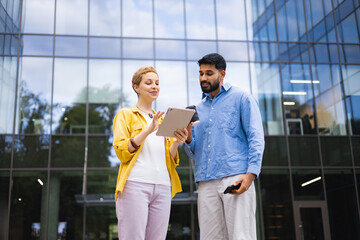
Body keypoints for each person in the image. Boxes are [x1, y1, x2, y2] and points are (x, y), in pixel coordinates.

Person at [184, 53, 265, 240]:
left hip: (235, 176)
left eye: (209, 73)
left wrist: (251, 174)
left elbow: (256, 137)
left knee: (241, 236)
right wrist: (188, 137)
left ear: (222, 74)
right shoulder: (198, 109)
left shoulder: (242, 98)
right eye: (201, 73)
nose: (203, 78)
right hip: (205, 182)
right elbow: (195, 151)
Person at [112, 66, 189, 240]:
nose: (154, 86)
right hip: (135, 184)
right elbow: (122, 152)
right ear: (136, 87)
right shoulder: (125, 115)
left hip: (162, 187)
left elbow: (169, 158)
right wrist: (148, 130)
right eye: (148, 83)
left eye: (157, 83)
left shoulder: (163, 119)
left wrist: (176, 142)